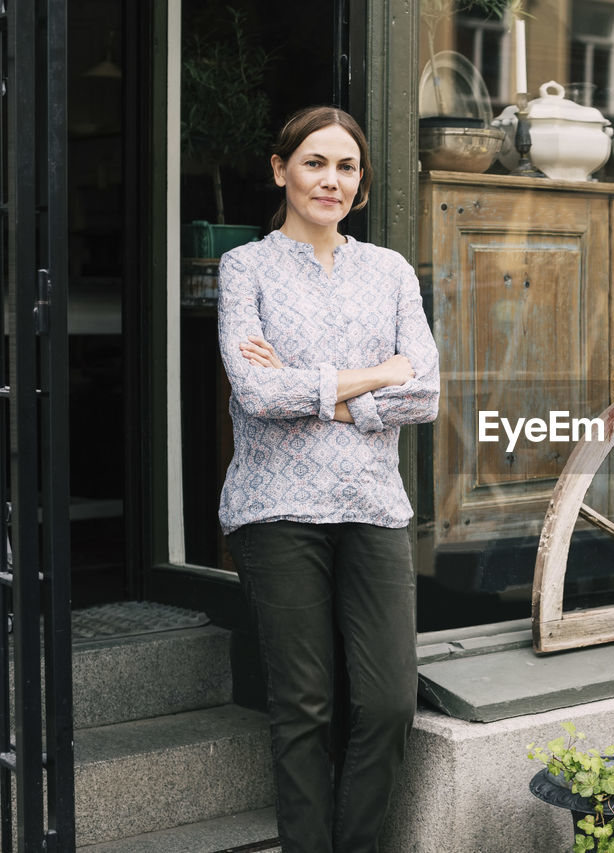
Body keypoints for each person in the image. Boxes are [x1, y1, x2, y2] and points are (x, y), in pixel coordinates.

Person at [216, 105, 440, 853]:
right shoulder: (244, 268)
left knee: (385, 702)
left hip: (373, 506)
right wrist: (377, 375)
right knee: (305, 704)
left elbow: (429, 393)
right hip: (275, 509)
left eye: (346, 167)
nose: (331, 180)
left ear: (362, 184)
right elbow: (256, 393)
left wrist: (314, 390)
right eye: (315, 162)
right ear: (282, 170)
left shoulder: (390, 272)